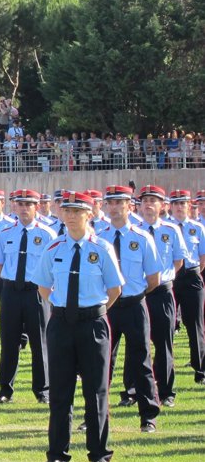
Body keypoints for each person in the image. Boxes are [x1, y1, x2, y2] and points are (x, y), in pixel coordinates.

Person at [33, 190, 123, 462]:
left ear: (89, 214)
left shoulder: (102, 249)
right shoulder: (53, 248)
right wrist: (64, 310)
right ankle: (57, 454)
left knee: (96, 391)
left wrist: (91, 312)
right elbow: (44, 286)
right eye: (67, 211)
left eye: (77, 211)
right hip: (61, 324)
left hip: (93, 324)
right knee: (60, 392)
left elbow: (115, 289)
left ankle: (99, 454)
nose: (71, 216)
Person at [97, 185, 161, 432]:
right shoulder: (99, 237)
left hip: (134, 304)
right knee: (101, 362)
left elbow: (153, 279)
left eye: (119, 203)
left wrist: (134, 296)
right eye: (110, 203)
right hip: (107, 307)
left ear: (129, 205)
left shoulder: (142, 238)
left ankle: (148, 415)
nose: (114, 208)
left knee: (141, 360)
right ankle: (96, 414)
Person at [0, 189, 55, 404]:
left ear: (37, 207)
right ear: (14, 207)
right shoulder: (5, 233)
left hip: (36, 291)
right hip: (10, 291)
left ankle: (42, 389)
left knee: (40, 341)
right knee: (9, 341)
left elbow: (52, 266)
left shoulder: (47, 234)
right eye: (20, 204)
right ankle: (5, 389)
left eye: (29, 204)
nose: (24, 208)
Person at [133, 185, 188, 407]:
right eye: (144, 200)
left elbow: (179, 261)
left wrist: (163, 279)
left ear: (162, 206)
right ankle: (135, 390)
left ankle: (166, 392)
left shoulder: (171, 230)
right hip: (138, 294)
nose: (148, 205)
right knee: (137, 344)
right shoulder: (134, 231)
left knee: (164, 343)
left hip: (162, 292)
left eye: (153, 201)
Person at [169, 189, 205, 385]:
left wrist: (194, 272)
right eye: (176, 204)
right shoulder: (166, 229)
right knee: (167, 326)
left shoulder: (197, 228)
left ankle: (200, 369)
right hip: (172, 278)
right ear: (171, 207)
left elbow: (203, 256)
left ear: (188, 205)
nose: (179, 207)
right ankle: (166, 371)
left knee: (195, 324)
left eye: (182, 203)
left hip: (191, 276)